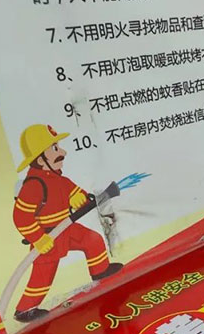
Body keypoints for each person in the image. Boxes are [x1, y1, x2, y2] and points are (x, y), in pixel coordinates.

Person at [13, 124, 122, 322]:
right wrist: (38, 238)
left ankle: (100, 271)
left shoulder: (60, 179)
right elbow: (21, 217)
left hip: (67, 228)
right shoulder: (33, 186)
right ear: (41, 159)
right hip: (48, 237)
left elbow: (77, 193)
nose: (63, 152)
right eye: (55, 148)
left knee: (92, 240)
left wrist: (78, 198)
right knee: (43, 276)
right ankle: (25, 310)